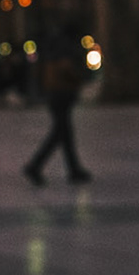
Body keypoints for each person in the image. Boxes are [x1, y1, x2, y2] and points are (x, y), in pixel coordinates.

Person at [23, 46, 91, 186]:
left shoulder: (49, 54)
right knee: (60, 134)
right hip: (62, 96)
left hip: (56, 96)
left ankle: (72, 169)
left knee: (65, 135)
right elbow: (68, 73)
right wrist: (78, 79)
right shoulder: (63, 55)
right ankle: (35, 166)